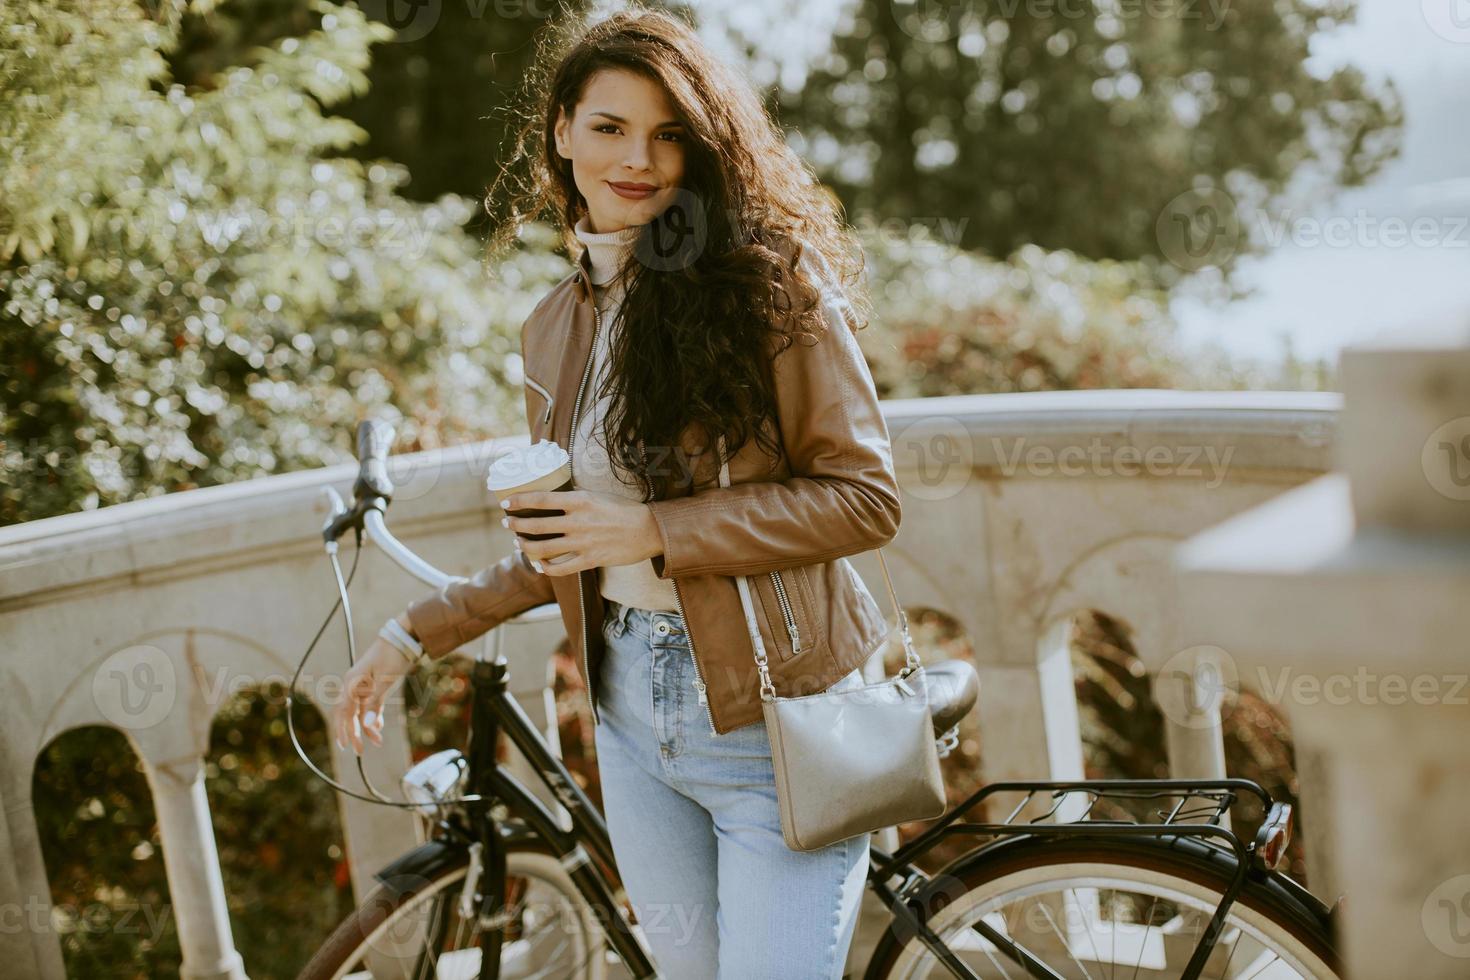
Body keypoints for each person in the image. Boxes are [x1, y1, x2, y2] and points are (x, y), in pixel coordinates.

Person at [332, 7, 902, 978]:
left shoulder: (771, 284)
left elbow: (863, 497)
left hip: (778, 722)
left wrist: (651, 525)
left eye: (670, 132)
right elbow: (570, 539)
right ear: (560, 130)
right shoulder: (553, 324)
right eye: (609, 127)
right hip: (631, 719)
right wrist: (409, 634)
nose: (639, 158)